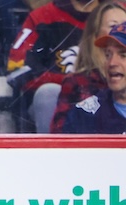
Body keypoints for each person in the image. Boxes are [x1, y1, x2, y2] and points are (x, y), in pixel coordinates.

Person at [7, 0, 100, 132]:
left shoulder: (117, 15)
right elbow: (16, 70)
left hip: (108, 98)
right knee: (48, 93)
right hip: (58, 101)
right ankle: (52, 150)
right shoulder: (41, 17)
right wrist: (71, 83)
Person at [51, 0, 126, 132]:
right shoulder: (85, 113)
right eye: (107, 55)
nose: (112, 62)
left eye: (123, 55)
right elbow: (61, 147)